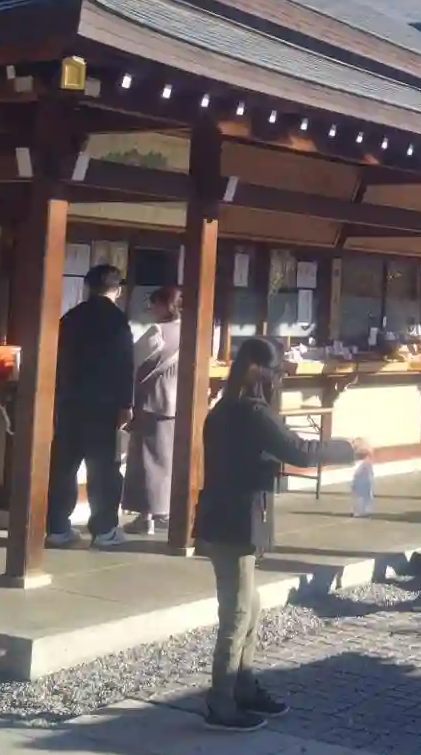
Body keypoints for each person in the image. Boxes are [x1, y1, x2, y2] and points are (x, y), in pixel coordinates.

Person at [195, 336, 361, 730]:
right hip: (234, 522)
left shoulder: (223, 410)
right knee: (237, 614)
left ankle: (243, 685)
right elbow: (300, 450)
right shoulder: (252, 413)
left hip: (226, 519)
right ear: (259, 372)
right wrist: (350, 448)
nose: (278, 381)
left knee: (248, 607)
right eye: (276, 373)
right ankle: (221, 700)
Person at [46, 262, 137, 550]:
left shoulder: (71, 318)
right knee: (103, 468)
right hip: (104, 404)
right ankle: (104, 529)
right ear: (118, 290)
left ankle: (57, 526)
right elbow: (125, 365)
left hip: (70, 401)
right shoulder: (117, 321)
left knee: (64, 465)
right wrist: (126, 403)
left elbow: (55, 359)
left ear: (87, 287)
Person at [123, 284, 182, 534]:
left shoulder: (157, 332)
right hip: (179, 404)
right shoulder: (193, 331)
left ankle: (147, 514)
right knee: (169, 461)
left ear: (165, 306)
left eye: (155, 304)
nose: (152, 309)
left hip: (152, 402)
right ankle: (166, 512)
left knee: (146, 462)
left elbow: (133, 361)